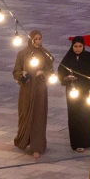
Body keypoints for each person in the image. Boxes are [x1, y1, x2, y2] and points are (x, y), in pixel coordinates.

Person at [12, 30, 55, 158]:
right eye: (35, 39)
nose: (37, 42)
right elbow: (15, 72)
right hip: (27, 89)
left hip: (40, 89)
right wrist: (22, 74)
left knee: (38, 116)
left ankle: (37, 146)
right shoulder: (22, 54)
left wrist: (42, 73)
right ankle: (23, 139)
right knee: (25, 114)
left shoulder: (45, 54)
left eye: (39, 39)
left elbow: (51, 71)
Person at [58, 35, 90, 152]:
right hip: (73, 93)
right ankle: (77, 143)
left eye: (80, 46)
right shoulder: (68, 58)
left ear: (83, 46)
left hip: (87, 92)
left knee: (87, 115)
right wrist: (66, 78)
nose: (77, 49)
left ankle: (88, 141)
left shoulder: (89, 57)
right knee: (74, 116)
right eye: (75, 46)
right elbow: (60, 72)